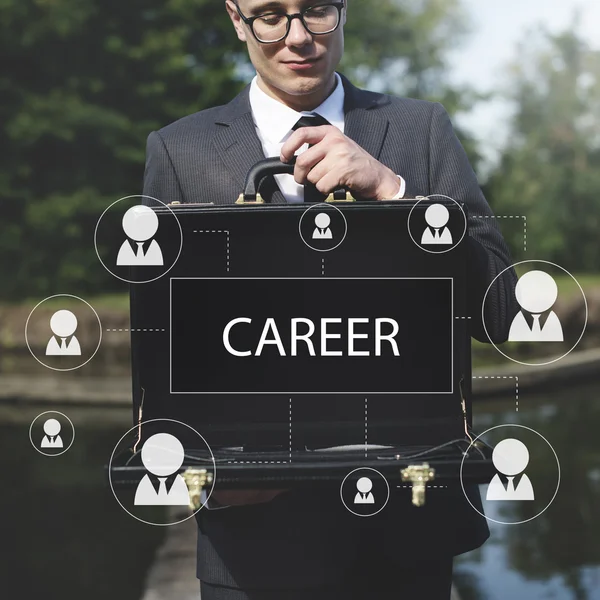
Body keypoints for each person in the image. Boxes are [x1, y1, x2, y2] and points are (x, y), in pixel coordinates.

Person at [142, 1, 518, 597]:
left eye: (315, 10)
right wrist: (194, 465)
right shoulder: (178, 151)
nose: (298, 38)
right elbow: (162, 351)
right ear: (236, 20)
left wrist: (398, 196)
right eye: (269, 14)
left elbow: (503, 316)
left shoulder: (420, 130)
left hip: (408, 529)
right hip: (252, 542)